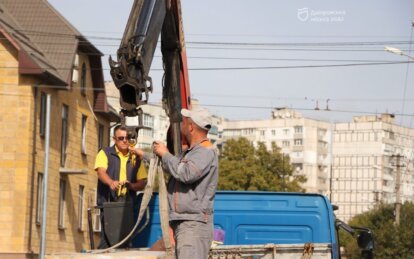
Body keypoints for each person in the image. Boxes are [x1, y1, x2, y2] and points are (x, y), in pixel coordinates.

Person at [132, 107, 219, 259]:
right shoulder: (192, 152)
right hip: (187, 223)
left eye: (184, 122)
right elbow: (172, 165)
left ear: (191, 127)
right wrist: (144, 155)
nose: (181, 125)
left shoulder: (205, 151)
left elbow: (185, 173)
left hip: (193, 224)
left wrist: (165, 153)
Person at [94, 125, 147, 249]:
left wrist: (132, 186)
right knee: (108, 240)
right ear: (114, 139)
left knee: (125, 242)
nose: (124, 141)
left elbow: (142, 182)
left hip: (128, 206)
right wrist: (111, 182)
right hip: (108, 205)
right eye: (121, 138)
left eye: (127, 138)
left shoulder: (135, 157)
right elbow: (101, 172)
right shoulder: (105, 153)